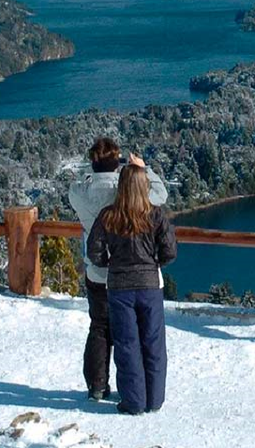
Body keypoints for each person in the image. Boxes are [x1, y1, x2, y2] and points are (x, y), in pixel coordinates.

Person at [68, 137, 167, 402]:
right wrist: (142, 169)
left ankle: (97, 386)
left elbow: (74, 187)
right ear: (117, 161)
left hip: (97, 269)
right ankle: (138, 390)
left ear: (93, 162)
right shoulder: (127, 192)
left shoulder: (80, 193)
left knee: (99, 327)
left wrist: (93, 172)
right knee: (133, 335)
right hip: (128, 273)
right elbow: (160, 195)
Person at [87, 163, 177, 415]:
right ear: (144, 186)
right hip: (149, 286)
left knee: (127, 344)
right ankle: (154, 399)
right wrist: (154, 262)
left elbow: (93, 251)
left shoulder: (108, 215)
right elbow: (170, 251)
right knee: (153, 343)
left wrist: (110, 263)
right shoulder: (156, 215)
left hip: (119, 287)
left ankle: (133, 401)